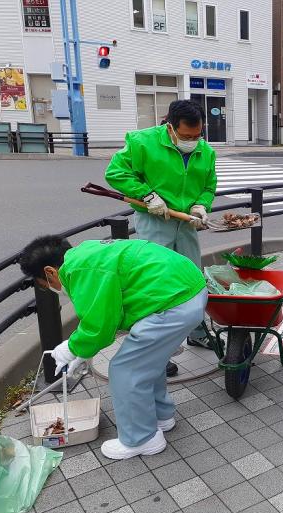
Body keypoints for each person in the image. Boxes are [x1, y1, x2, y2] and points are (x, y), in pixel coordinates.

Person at [19, 237, 207, 459]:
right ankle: (161, 417)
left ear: (50, 272)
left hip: (173, 303)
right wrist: (81, 350)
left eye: (44, 284)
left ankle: (142, 439)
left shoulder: (80, 269)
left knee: (125, 369)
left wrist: (72, 348)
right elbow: (108, 314)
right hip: (186, 292)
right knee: (148, 363)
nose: (50, 288)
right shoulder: (86, 253)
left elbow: (99, 325)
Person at [105, 100, 216, 377]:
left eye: (198, 135)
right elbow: (116, 173)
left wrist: (201, 205)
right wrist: (147, 195)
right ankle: (157, 347)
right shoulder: (142, 142)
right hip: (155, 220)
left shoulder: (205, 151)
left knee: (192, 277)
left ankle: (198, 332)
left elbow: (208, 185)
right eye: (187, 136)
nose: (194, 141)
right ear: (170, 127)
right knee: (155, 284)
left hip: (186, 222)